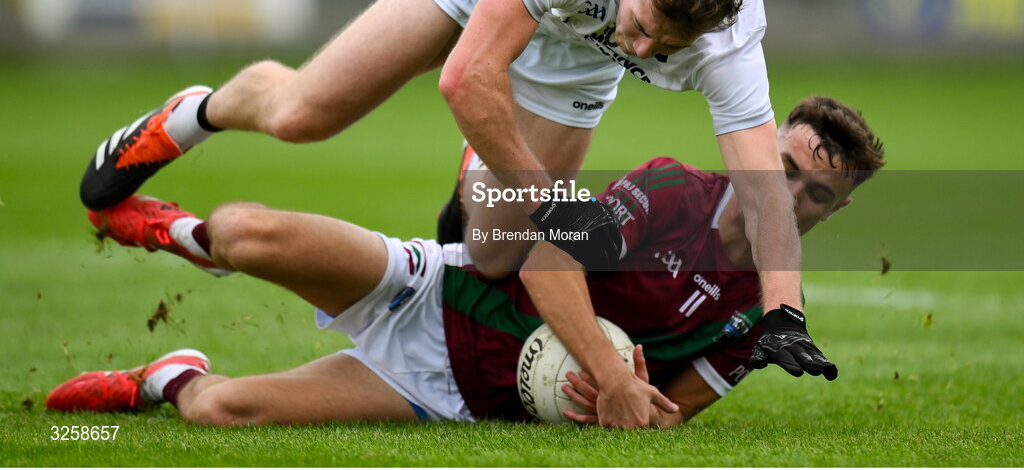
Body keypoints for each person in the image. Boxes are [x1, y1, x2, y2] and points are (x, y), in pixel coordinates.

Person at [81, 0, 818, 376]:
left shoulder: (731, 36)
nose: (647, 48)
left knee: (494, 254)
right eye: (645, 22)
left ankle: (479, 181)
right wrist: (553, 206)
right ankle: (196, 111)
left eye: (668, 47)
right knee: (305, 113)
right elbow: (464, 77)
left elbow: (762, 189)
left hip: (574, 59)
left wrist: (785, 309)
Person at [52, 97, 885, 428]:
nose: (787, 195)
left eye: (814, 192)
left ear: (834, 211)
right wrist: (611, 369)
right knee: (246, 233)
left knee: (217, 412)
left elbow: (673, 413)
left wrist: (632, 407)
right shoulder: (671, 189)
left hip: (451, 396)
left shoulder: (765, 314)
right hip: (439, 290)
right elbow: (545, 264)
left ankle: (167, 376)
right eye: (779, 168)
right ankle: (179, 233)